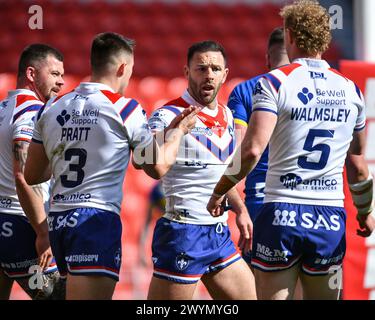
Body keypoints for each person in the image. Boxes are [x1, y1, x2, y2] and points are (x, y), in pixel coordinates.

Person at [207, 0, 375, 300]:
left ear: (290, 36)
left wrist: (220, 190)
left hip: (281, 213)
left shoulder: (274, 82)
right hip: (329, 217)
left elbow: (252, 150)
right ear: (326, 38)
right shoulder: (351, 90)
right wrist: (364, 212)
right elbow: (359, 162)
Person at [24, 32, 198, 300]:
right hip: (95, 220)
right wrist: (178, 132)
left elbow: (33, 174)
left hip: (59, 219)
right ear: (122, 68)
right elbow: (156, 167)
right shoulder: (124, 108)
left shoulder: (53, 106)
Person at [147, 40, 257, 300]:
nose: (209, 75)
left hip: (218, 233)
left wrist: (240, 210)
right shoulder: (167, 114)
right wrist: (173, 132)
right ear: (187, 72)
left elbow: (222, 173)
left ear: (225, 74)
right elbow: (150, 164)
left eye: (215, 69)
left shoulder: (228, 116)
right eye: (201, 68)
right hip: (184, 231)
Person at [0, 44, 65, 300]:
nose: (61, 82)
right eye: (55, 74)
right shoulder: (31, 112)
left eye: (62, 75)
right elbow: (22, 175)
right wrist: (42, 232)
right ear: (31, 73)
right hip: (20, 223)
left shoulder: (4, 108)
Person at [228, 27, 289, 263]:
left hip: (261, 199)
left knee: (259, 283)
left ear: (267, 58)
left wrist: (222, 192)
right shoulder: (324, 89)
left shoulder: (245, 90)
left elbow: (240, 149)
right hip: (314, 202)